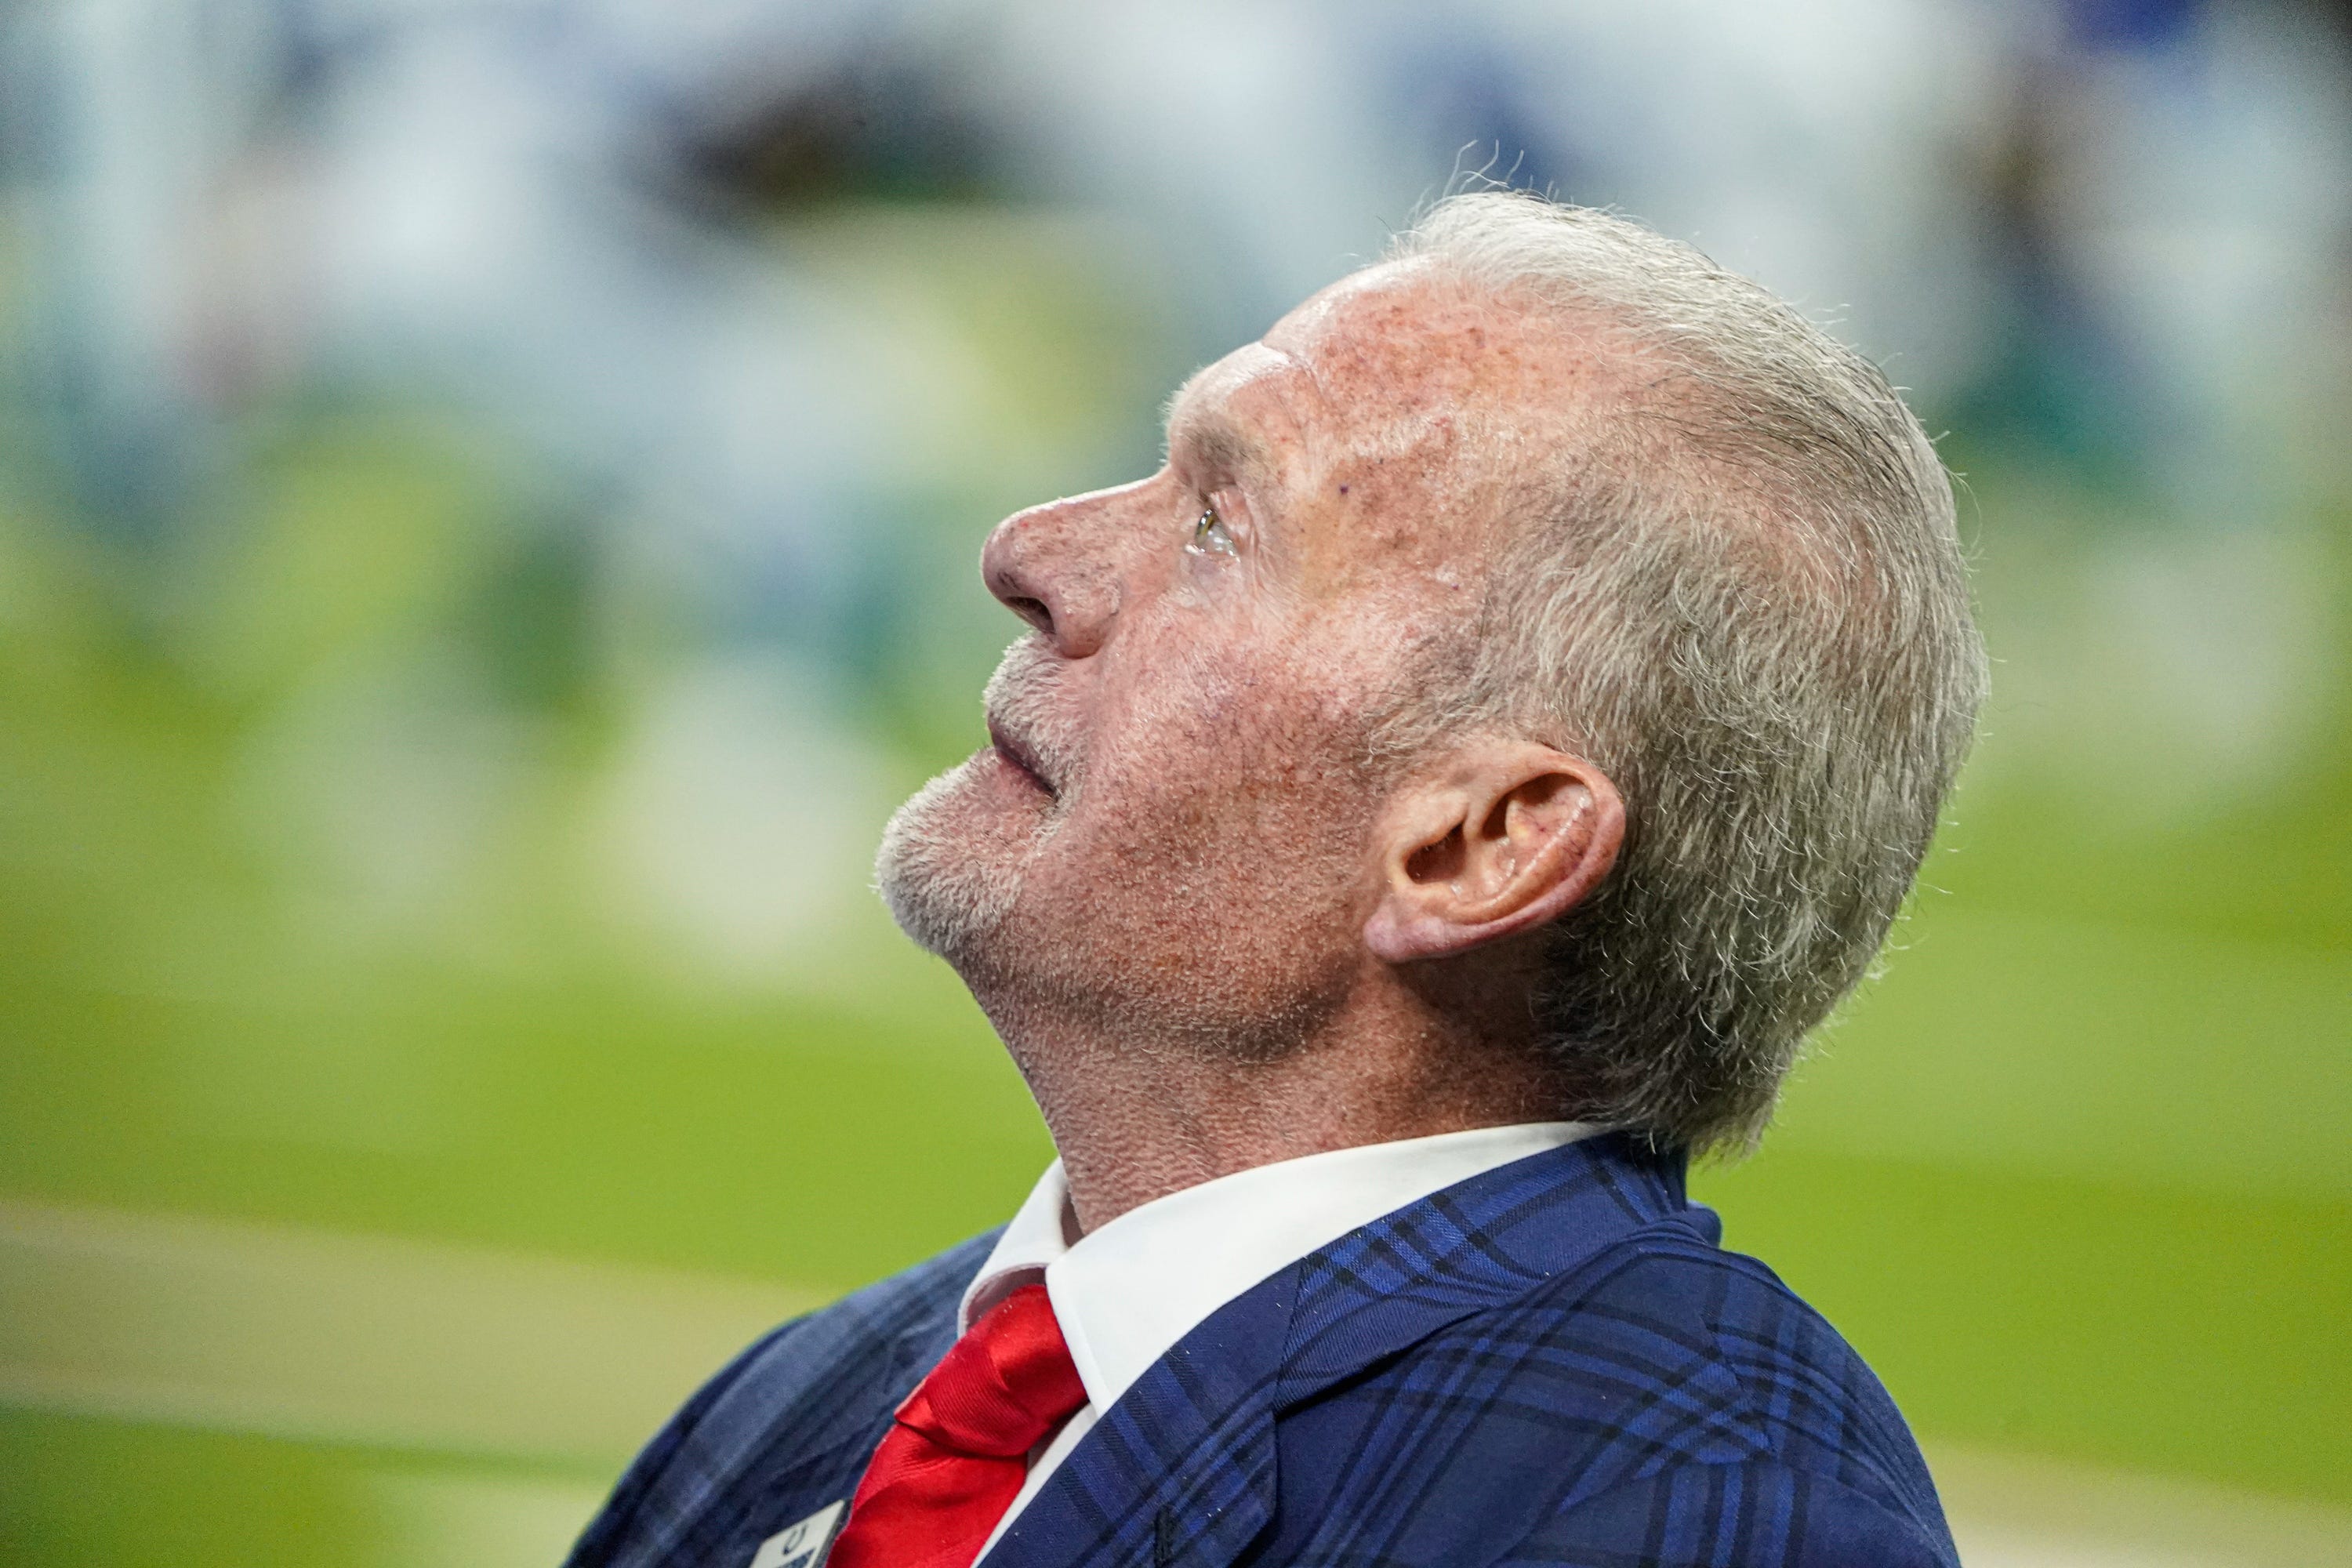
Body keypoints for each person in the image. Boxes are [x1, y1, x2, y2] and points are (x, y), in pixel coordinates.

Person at [565, 191, 1986, 1568]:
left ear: (1480, 847)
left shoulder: (1695, 1513)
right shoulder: (814, 1402)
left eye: (1219, 527)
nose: (1028, 551)